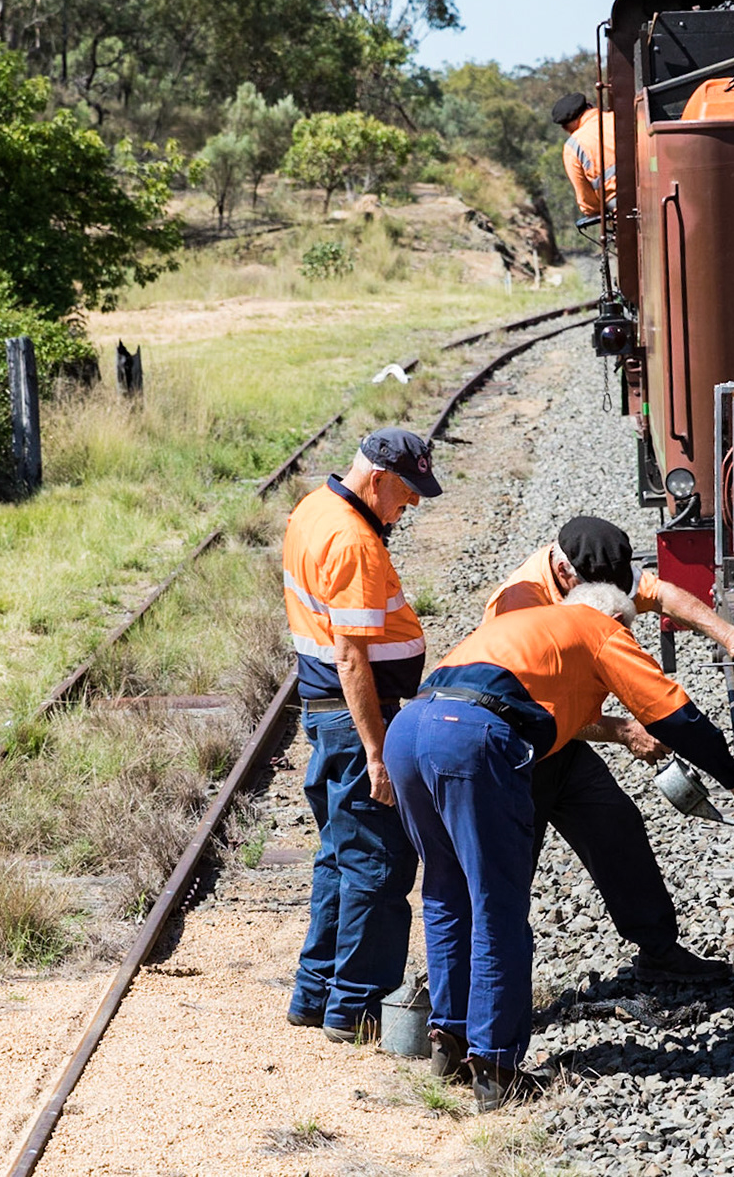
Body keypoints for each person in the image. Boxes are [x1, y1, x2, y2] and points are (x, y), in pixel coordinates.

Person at [382, 583, 734, 1110]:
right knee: (497, 904)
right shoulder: (600, 629)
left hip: (410, 729)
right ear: (618, 621)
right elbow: (672, 715)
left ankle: (448, 1043)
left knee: (445, 891)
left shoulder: (532, 626)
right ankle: (495, 1068)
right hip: (470, 737)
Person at [484, 516, 734, 980]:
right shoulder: (520, 603)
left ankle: (659, 954)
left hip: (563, 748)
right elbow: (527, 708)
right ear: (565, 576)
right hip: (516, 748)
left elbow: (660, 593)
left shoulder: (594, 571)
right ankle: (494, 997)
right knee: (507, 869)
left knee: (615, 827)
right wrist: (622, 730)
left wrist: (726, 633)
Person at [283, 428, 442, 1042]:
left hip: (326, 712)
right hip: (356, 718)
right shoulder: (353, 540)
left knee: (338, 857)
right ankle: (358, 1008)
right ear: (377, 478)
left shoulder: (314, 509)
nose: (414, 505)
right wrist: (377, 752)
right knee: (378, 862)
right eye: (408, 492)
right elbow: (353, 658)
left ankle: (315, 993)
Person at [552, 91, 617, 218]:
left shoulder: (573, 146)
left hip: (620, 205)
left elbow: (588, 204)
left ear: (566, 127)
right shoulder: (618, 117)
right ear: (590, 106)